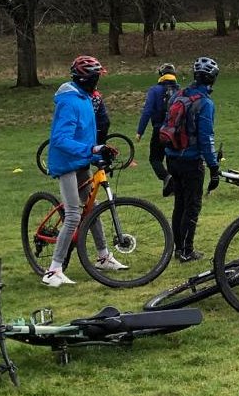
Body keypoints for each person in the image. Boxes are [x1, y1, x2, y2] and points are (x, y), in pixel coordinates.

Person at [42, 55, 128, 287]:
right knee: (73, 214)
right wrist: (90, 148)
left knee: (94, 207)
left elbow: (88, 133)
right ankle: (53, 270)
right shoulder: (70, 101)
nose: (98, 81)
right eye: (95, 77)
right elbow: (60, 139)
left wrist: (98, 152)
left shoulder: (87, 98)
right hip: (66, 163)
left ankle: (103, 256)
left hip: (80, 159)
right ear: (85, 78)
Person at [163, 56, 222, 262]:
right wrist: (214, 167)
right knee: (192, 205)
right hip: (191, 160)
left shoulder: (178, 95)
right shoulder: (205, 103)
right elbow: (206, 138)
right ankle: (187, 251)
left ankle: (178, 248)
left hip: (171, 157)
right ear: (212, 79)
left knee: (179, 204)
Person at [136, 62, 178, 190]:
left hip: (159, 129)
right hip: (176, 130)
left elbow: (147, 111)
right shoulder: (179, 91)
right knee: (172, 157)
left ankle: (166, 178)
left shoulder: (155, 90)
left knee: (155, 158)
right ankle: (176, 184)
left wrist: (140, 131)